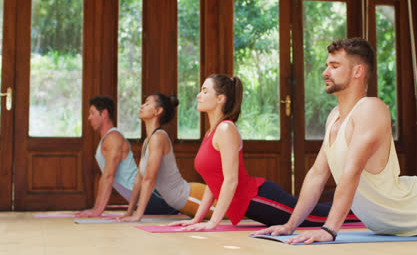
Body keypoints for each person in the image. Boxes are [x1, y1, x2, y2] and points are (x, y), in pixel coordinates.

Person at [252, 38, 417, 244]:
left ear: (357, 71)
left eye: (334, 66)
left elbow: (351, 173)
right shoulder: (334, 117)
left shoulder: (370, 109)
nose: (325, 72)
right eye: (327, 65)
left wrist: (329, 229)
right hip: (393, 226)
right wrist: (290, 225)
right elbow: (317, 175)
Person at [169, 74, 359, 231]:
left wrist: (213, 222)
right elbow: (213, 181)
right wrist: (197, 220)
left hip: (260, 198)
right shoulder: (211, 132)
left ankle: (363, 208)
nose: (198, 95)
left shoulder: (225, 130)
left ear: (220, 99)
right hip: (254, 203)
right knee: (318, 213)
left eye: (204, 91)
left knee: (317, 216)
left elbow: (231, 180)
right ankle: (357, 203)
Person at [116, 93, 219, 222]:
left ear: (158, 111)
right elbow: (139, 179)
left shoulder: (158, 137)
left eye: (147, 103)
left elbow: (149, 178)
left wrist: (138, 215)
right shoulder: (148, 140)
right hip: (185, 201)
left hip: (190, 197)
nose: (142, 106)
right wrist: (129, 211)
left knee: (240, 210)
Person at [75, 96, 177, 217]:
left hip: (155, 197)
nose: (89, 118)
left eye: (92, 113)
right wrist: (96, 208)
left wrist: (97, 210)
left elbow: (108, 176)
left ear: (104, 114)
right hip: (147, 200)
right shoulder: (107, 138)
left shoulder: (113, 138)